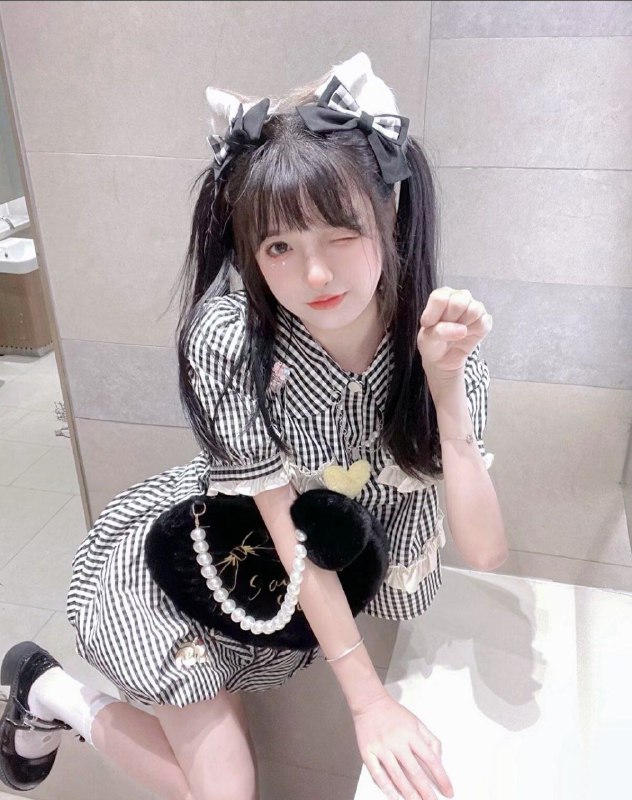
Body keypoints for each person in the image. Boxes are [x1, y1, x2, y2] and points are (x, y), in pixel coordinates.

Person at [0, 52, 502, 800]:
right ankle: (49, 690)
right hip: (200, 562)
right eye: (279, 247)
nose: (316, 275)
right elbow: (278, 516)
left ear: (390, 212)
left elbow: (485, 553)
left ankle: (39, 691)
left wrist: (446, 389)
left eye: (341, 233)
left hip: (285, 587)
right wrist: (368, 702)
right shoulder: (231, 339)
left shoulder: (436, 342)